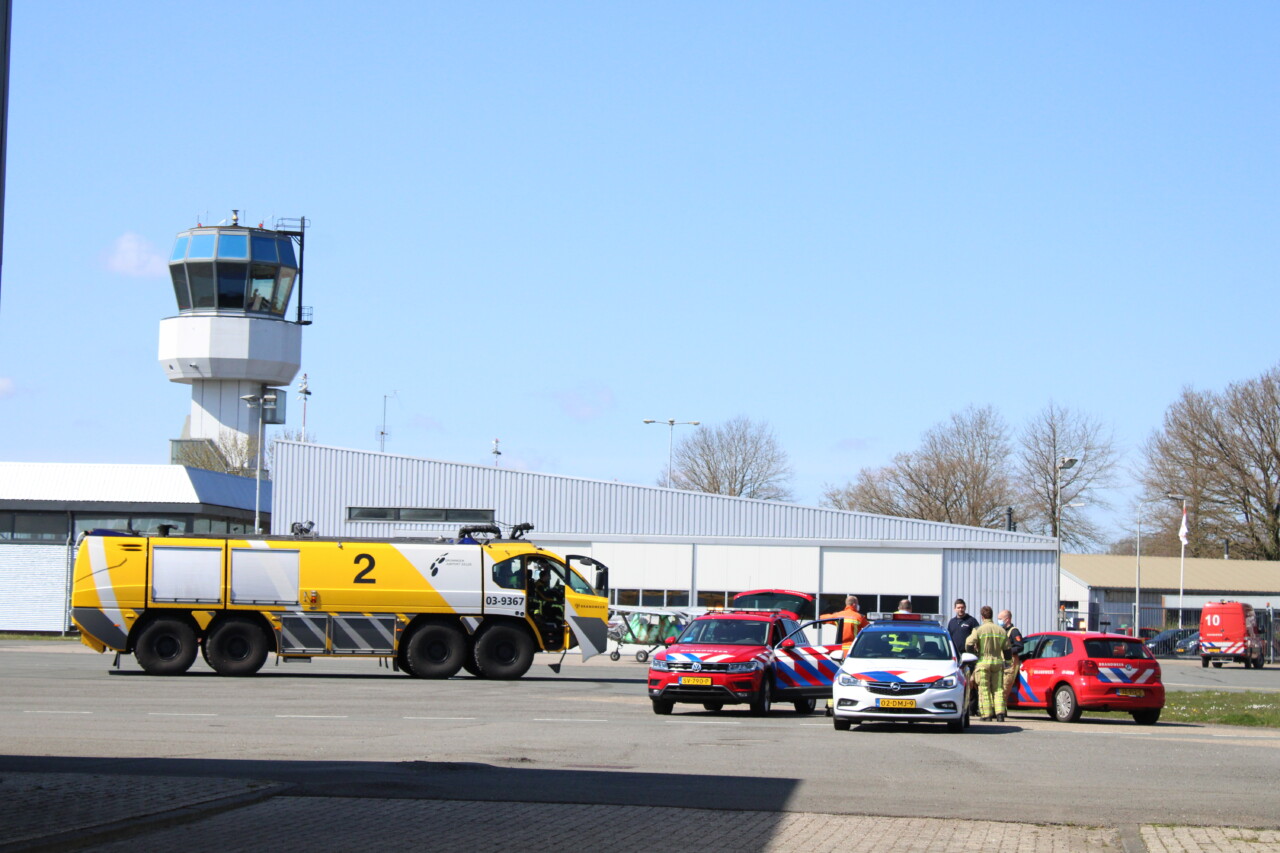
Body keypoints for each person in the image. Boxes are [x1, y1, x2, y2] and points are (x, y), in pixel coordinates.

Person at [965, 605, 1011, 722]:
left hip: (983, 663)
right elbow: (1007, 649)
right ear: (992, 615)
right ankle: (1000, 714)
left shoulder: (978, 630)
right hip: (997, 662)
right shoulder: (1001, 630)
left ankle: (987, 715)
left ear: (982, 617)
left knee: (984, 689)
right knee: (998, 689)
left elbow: (969, 643)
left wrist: (973, 656)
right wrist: (1008, 662)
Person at [999, 609, 1024, 703]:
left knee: (1005, 686)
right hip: (1001, 662)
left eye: (1000, 619)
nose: (999, 621)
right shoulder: (1001, 631)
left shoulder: (1014, 632)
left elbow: (1020, 647)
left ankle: (1001, 709)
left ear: (1007, 619)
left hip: (1011, 662)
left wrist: (1008, 651)